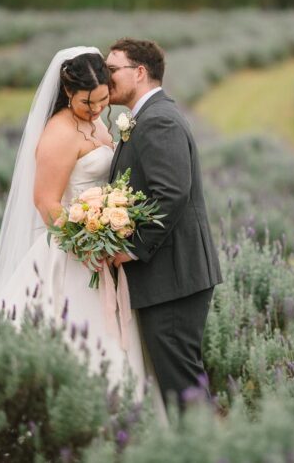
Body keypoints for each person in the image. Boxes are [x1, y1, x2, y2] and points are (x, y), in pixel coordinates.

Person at [0, 46, 162, 413]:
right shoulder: (59, 133)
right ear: (67, 93)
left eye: (102, 101)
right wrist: (86, 244)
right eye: (86, 103)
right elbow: (46, 202)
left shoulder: (97, 123)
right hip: (72, 253)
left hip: (102, 248)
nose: (96, 110)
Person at [105, 38, 223, 408]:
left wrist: (131, 248)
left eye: (111, 70)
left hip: (174, 278)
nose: (104, 77)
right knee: (175, 384)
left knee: (182, 386)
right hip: (168, 277)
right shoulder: (148, 117)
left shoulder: (158, 120)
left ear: (139, 72)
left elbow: (172, 194)